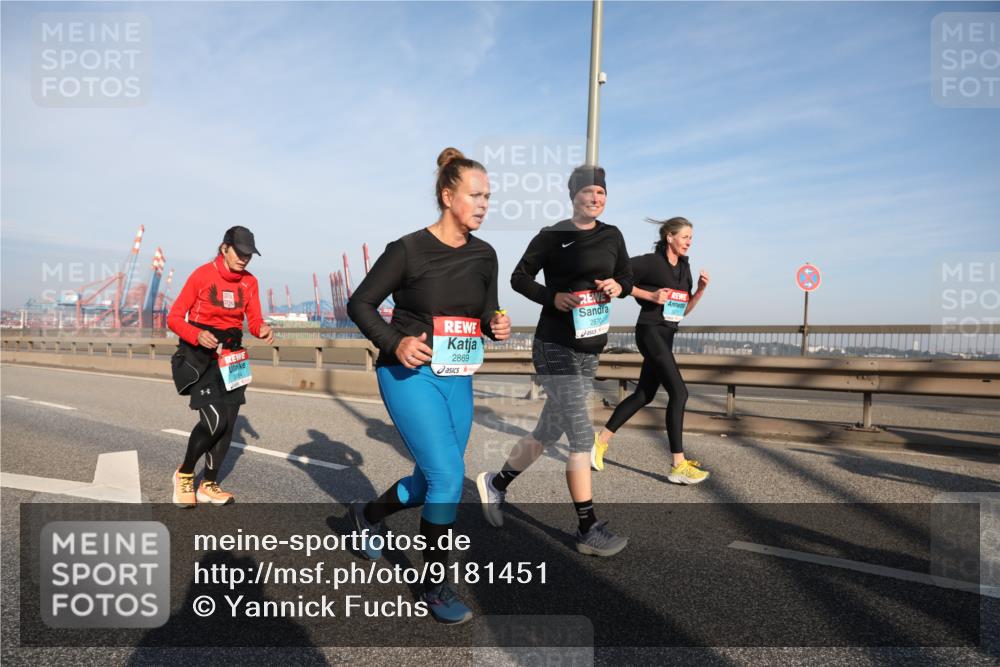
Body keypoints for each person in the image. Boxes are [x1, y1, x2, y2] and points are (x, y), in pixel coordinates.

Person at [346, 147, 511, 625]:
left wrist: (495, 325)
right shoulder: (408, 250)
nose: (484, 204)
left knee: (434, 479)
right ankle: (434, 584)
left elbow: (485, 313)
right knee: (445, 478)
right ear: (447, 195)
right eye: (475, 195)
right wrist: (395, 343)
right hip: (408, 373)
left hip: (457, 376)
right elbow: (360, 304)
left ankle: (367, 516)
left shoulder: (485, 254)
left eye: (488, 197)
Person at [475, 165, 633, 557]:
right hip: (554, 345)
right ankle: (587, 529)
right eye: (588, 192)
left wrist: (618, 285)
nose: (595, 198)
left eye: (601, 193)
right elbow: (520, 277)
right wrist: (553, 297)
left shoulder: (612, 235)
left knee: (548, 431)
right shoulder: (552, 236)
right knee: (582, 437)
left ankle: (496, 482)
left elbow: (626, 279)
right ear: (573, 195)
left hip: (590, 347)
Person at [591, 216, 710, 484]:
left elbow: (682, 311)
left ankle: (600, 442)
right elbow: (621, 281)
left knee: (644, 394)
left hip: (667, 334)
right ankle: (678, 464)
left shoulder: (684, 269)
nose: (689, 242)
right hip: (649, 331)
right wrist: (650, 296)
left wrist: (700, 291)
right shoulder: (650, 262)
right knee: (679, 392)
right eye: (685, 236)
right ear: (670, 237)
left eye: (691, 237)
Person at [168, 226, 274, 507]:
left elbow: (254, 321)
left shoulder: (250, 282)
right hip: (200, 355)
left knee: (227, 426)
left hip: (233, 356)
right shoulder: (202, 275)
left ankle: (209, 484)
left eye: (249, 255)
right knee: (214, 421)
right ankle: (185, 474)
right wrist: (195, 334)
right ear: (224, 248)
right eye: (240, 252)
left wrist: (262, 329)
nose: (244, 258)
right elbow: (175, 317)